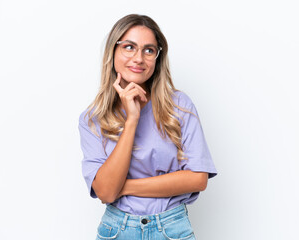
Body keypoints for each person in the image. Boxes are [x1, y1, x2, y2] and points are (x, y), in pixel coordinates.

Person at [78, 14, 218, 240]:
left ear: (157, 58)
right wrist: (132, 120)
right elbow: (105, 191)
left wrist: (124, 187)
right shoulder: (92, 119)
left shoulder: (179, 106)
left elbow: (197, 179)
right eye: (129, 47)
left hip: (172, 228)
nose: (139, 58)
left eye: (149, 50)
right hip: (117, 230)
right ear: (113, 51)